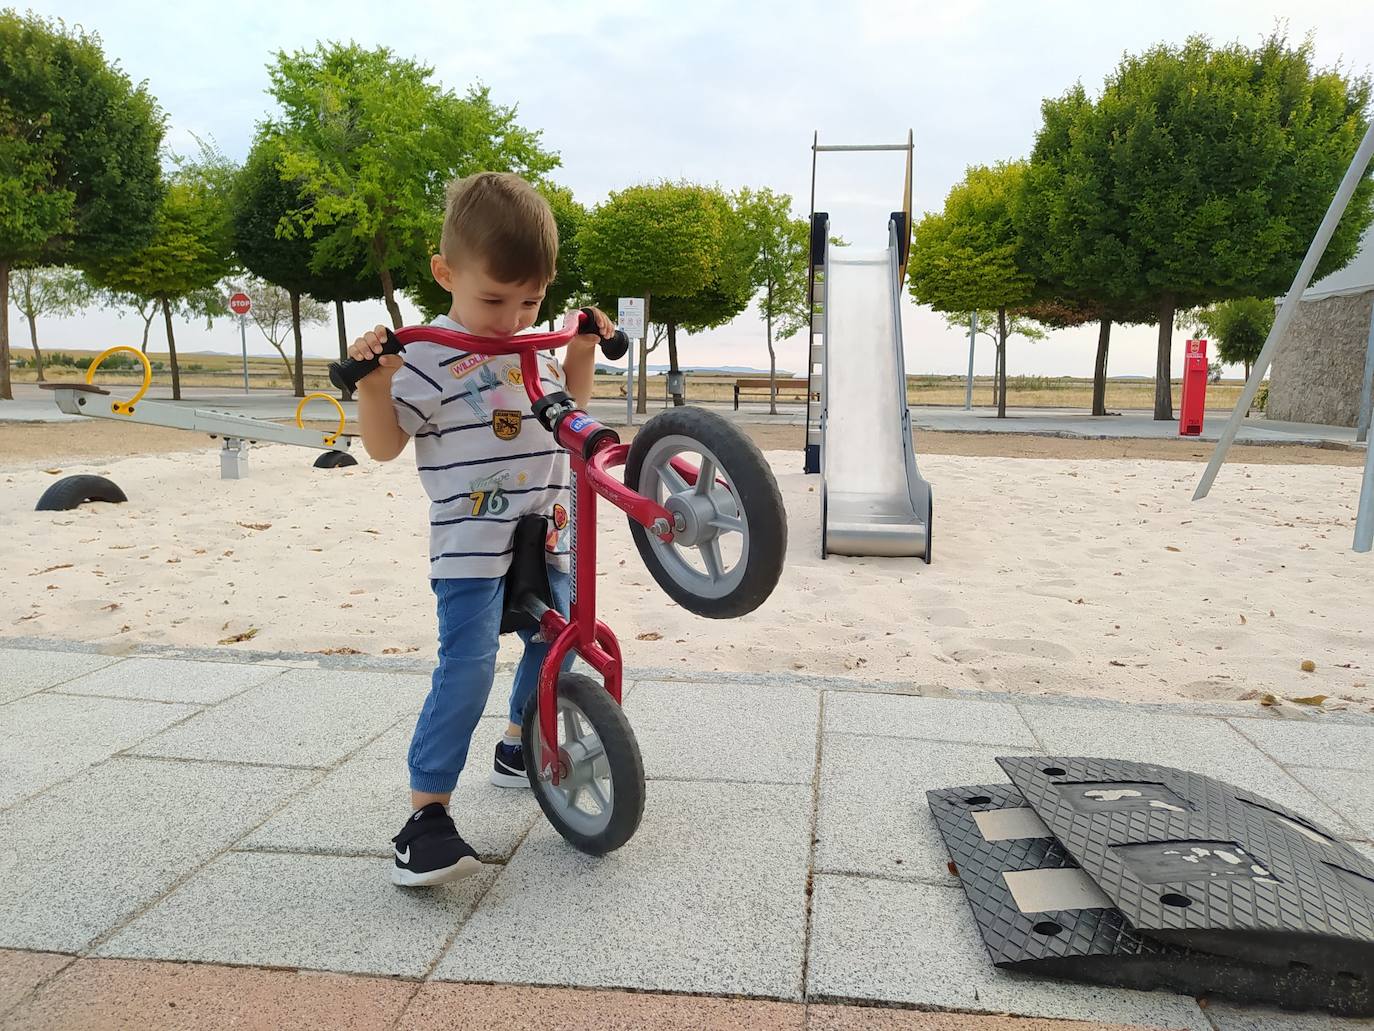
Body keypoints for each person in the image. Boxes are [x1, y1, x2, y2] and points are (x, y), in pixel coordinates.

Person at [346, 171, 613, 886]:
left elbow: (565, 413)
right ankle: (425, 816)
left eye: (530, 300)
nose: (510, 317)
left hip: (547, 528)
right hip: (470, 545)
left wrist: (578, 345)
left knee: (556, 644)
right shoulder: (428, 357)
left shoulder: (535, 348)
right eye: (493, 298)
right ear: (445, 273)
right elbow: (383, 444)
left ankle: (519, 743)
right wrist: (375, 381)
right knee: (465, 668)